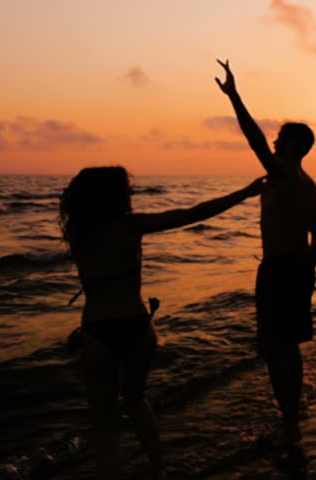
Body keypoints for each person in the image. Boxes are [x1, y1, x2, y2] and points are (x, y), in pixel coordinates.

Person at [59, 166, 263, 480]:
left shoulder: (77, 233)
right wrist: (244, 193)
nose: (130, 194)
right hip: (137, 327)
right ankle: (158, 471)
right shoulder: (131, 226)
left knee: (104, 420)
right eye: (125, 190)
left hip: (97, 330)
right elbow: (195, 213)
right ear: (114, 197)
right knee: (136, 399)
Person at [214, 60, 316, 456]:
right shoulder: (310, 185)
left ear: (293, 146)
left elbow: (255, 142)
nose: (274, 143)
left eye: (280, 139)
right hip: (297, 268)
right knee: (289, 346)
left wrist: (235, 98)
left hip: (279, 270)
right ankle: (293, 415)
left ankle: (290, 425)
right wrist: (307, 273)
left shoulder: (285, 173)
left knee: (276, 349)